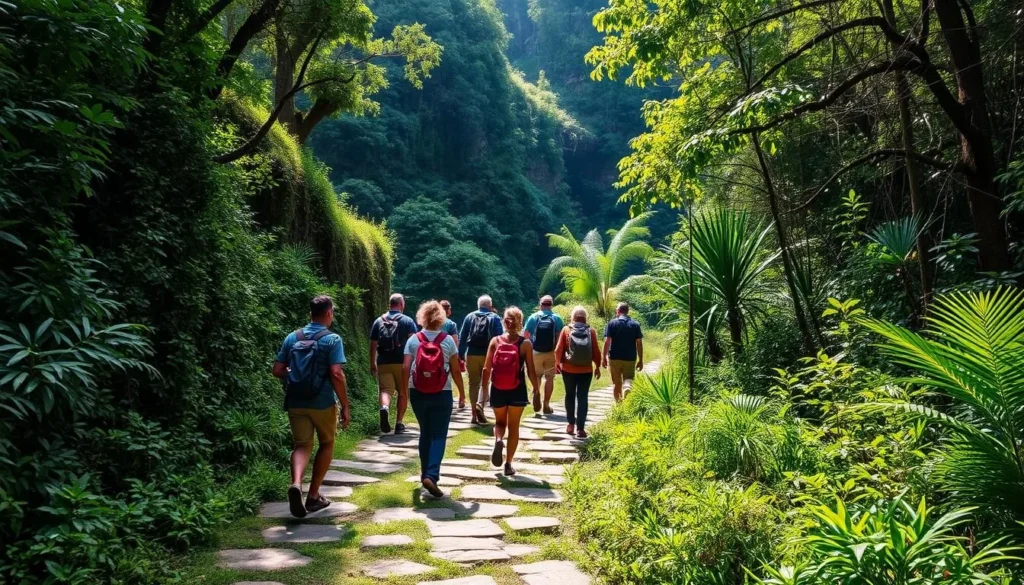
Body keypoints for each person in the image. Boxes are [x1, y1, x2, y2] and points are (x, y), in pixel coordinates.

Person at [272, 295, 351, 518]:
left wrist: (292, 376)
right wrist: (345, 405)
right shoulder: (332, 339)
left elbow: (277, 370)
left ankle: (296, 483)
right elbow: (336, 373)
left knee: (301, 445)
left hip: (296, 401)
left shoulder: (293, 337)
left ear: (310, 314)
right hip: (322, 402)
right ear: (329, 313)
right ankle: (313, 496)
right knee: (326, 443)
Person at [402, 300, 465, 498]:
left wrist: (404, 391)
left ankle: (424, 475)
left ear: (422, 317)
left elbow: (405, 368)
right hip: (442, 392)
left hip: (417, 391)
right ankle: (431, 475)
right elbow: (455, 370)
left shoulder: (414, 339)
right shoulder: (447, 341)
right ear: (441, 318)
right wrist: (462, 393)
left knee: (425, 433)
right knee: (439, 435)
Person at [481, 307, 539, 476]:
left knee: (500, 423)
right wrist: (536, 390)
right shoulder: (525, 344)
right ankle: (508, 464)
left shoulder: (495, 341)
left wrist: (484, 392)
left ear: (504, 321)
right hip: (517, 389)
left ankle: (499, 440)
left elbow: (486, 368)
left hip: (498, 388)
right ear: (520, 321)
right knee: (514, 427)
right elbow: (530, 370)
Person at [370, 293, 417, 433]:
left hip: (383, 361)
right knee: (403, 392)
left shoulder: (378, 321)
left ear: (389, 304)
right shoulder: (408, 321)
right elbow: (414, 343)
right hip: (403, 362)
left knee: (385, 390)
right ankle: (399, 423)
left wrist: (372, 363)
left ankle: (384, 408)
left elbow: (373, 345)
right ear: (402, 305)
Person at [555, 305, 601, 438]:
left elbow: (558, 349)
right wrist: (597, 366)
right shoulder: (591, 331)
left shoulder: (566, 329)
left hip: (568, 369)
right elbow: (595, 351)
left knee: (569, 395)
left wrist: (558, 364)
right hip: (586, 370)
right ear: (585, 318)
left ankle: (570, 425)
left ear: (573, 317)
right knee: (583, 397)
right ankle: (580, 429)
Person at [458, 295, 504, 424]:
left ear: (478, 305)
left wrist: (461, 355)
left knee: (473, 383)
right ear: (490, 306)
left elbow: (463, 337)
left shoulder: (469, 316)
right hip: (488, 354)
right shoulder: (494, 318)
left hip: (471, 353)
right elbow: (499, 338)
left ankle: (473, 413)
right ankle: (480, 407)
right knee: (485, 382)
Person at [524, 295, 565, 414]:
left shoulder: (533, 317)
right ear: (551, 305)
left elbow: (526, 335)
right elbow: (560, 337)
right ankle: (546, 404)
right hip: (551, 352)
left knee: (536, 376)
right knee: (549, 377)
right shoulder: (557, 318)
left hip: (535, 351)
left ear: (540, 305)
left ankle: (536, 392)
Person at [602, 302, 644, 402]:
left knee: (616, 383)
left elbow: (607, 341)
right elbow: (639, 343)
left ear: (618, 311)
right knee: (628, 379)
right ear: (627, 311)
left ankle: (619, 404)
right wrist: (641, 359)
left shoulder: (612, 323)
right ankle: (627, 388)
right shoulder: (635, 324)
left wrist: (603, 356)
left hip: (614, 357)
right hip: (630, 358)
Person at [440, 300, 464, 408]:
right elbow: (455, 341)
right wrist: (457, 355)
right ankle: (462, 397)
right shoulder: (451, 324)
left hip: (430, 353)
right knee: (456, 374)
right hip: (448, 352)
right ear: (448, 310)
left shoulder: (429, 321)